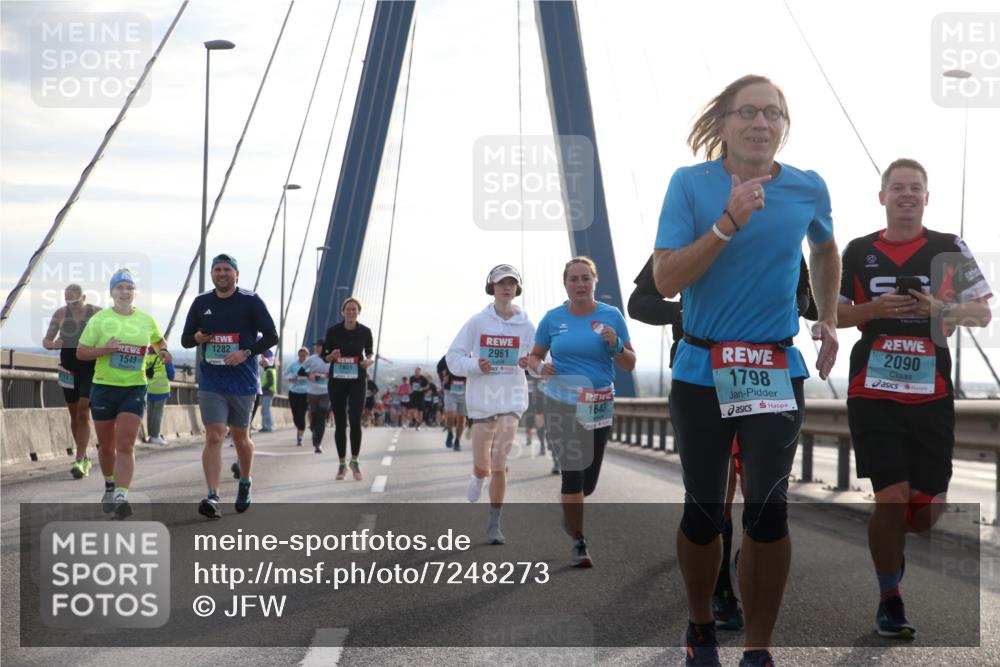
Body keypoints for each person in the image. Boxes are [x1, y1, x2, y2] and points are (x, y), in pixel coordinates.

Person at [652, 75, 840, 667]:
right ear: (725, 124)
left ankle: (758, 648)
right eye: (749, 112)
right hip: (703, 367)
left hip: (774, 367)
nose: (762, 123)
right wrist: (726, 223)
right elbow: (665, 280)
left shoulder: (808, 188)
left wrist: (829, 317)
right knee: (705, 513)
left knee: (768, 511)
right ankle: (701, 623)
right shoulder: (690, 185)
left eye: (774, 113)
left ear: (785, 127)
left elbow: (826, 249)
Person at [838, 158, 993, 639]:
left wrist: (940, 308)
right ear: (881, 197)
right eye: (897, 187)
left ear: (927, 197)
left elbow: (983, 316)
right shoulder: (859, 251)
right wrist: (874, 308)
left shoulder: (948, 248)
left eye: (915, 188)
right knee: (891, 499)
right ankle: (890, 598)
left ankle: (892, 548)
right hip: (874, 390)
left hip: (931, 393)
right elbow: (837, 317)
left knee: (924, 513)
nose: (907, 194)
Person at [630, 252, 819, 632]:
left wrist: (805, 308)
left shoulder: (783, 232)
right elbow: (639, 304)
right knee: (716, 500)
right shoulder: (696, 231)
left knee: (763, 500)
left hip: (769, 373)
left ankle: (753, 625)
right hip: (705, 375)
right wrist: (682, 316)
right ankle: (719, 594)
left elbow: (809, 302)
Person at [527, 257, 636, 567]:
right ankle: (579, 540)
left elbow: (630, 362)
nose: (579, 284)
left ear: (595, 281)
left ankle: (571, 513)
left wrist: (616, 346)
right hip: (560, 402)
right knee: (572, 473)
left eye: (585, 278)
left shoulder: (611, 315)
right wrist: (540, 368)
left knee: (588, 483)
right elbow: (534, 357)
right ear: (565, 284)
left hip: (599, 405)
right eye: (573, 279)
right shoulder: (552, 319)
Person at [181, 254, 278, 519]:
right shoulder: (202, 303)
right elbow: (186, 339)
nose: (221, 274)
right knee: (213, 436)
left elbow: (272, 336)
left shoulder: (251, 301)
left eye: (226, 269)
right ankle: (213, 495)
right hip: (211, 380)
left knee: (240, 438)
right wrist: (198, 337)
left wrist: (245, 353)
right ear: (212, 274)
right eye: (217, 270)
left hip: (244, 382)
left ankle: (245, 481)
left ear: (236, 274)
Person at [447, 264, 535, 545]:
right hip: (483, 401)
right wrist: (475, 364)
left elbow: (540, 361)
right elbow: (453, 358)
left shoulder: (526, 325)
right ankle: (477, 475)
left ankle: (494, 523)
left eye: (511, 283)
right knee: (484, 464)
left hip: (512, 399)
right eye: (501, 283)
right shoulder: (477, 322)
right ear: (492, 287)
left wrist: (531, 363)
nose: (506, 287)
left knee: (500, 461)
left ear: (517, 288)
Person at [77, 269, 170, 519]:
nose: (125, 292)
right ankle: (109, 485)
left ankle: (121, 495)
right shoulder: (99, 320)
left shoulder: (146, 320)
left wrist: (162, 352)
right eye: (120, 287)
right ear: (112, 292)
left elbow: (159, 341)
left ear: (134, 292)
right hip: (105, 386)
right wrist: (105, 350)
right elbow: (81, 352)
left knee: (126, 443)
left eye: (129, 287)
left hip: (135, 387)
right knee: (107, 446)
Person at [42, 284, 101, 478]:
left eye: (75, 301)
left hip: (90, 368)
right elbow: (46, 341)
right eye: (67, 301)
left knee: (84, 409)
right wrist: (54, 344)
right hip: (67, 369)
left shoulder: (96, 312)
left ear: (83, 297)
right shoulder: (60, 314)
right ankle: (82, 456)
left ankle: (79, 458)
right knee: (75, 414)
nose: (71, 305)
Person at [323, 297, 375, 481]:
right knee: (340, 422)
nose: (351, 312)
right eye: (348, 309)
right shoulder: (333, 331)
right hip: (337, 380)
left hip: (357, 379)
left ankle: (355, 460)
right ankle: (342, 464)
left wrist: (368, 360)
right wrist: (332, 355)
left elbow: (369, 352)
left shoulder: (365, 332)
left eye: (354, 309)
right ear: (343, 311)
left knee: (354, 420)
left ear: (358, 312)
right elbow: (324, 357)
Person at [302, 340, 331, 452]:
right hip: (312, 392)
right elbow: (300, 372)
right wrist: (309, 375)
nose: (317, 348)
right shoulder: (311, 359)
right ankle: (313, 430)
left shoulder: (330, 359)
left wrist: (326, 375)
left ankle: (318, 443)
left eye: (319, 346)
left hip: (325, 392)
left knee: (322, 415)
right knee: (314, 416)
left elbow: (335, 372)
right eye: (316, 346)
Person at [143, 347, 175, 445]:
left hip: (149, 390)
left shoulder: (146, 359)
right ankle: (155, 436)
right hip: (161, 390)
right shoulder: (164, 358)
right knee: (157, 414)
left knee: (150, 414)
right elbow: (171, 375)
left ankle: (150, 436)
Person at [438, 354, 467, 451]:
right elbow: (439, 366)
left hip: (465, 391)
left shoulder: (471, 356)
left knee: (461, 419)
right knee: (450, 414)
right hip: (450, 390)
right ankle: (450, 432)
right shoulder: (449, 355)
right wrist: (443, 378)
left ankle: (457, 441)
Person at [284, 347, 310, 446]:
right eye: (300, 355)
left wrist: (309, 377)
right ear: (298, 355)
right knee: (295, 416)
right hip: (294, 392)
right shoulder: (293, 365)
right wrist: (290, 378)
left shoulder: (310, 365)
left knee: (302, 415)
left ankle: (300, 437)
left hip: (305, 393)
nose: (302, 357)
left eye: (304, 356)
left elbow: (314, 376)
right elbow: (284, 375)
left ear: (307, 356)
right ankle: (299, 427)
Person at [259, 354, 276, 432]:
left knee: (266, 410)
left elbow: (270, 382)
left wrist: (262, 388)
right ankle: (266, 426)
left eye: (262, 364)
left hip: (268, 392)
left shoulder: (269, 371)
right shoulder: (270, 370)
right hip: (268, 392)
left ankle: (268, 427)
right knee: (265, 410)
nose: (261, 365)